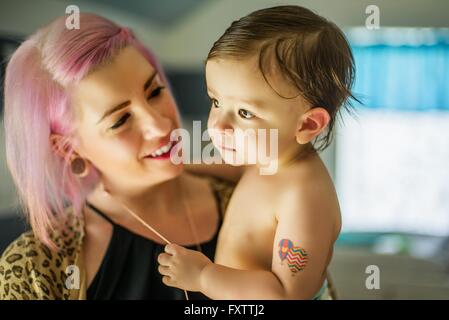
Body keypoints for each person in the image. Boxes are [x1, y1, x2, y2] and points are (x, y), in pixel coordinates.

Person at [0, 13, 234, 300]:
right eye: (121, 120)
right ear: (68, 148)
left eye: (155, 91)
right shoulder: (36, 270)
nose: (160, 125)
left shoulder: (256, 199)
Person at [157, 5, 357, 299]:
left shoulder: (304, 197)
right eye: (215, 102)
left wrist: (203, 276)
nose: (219, 124)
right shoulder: (271, 156)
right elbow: (243, 172)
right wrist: (187, 167)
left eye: (244, 112)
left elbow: (284, 294)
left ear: (308, 124)